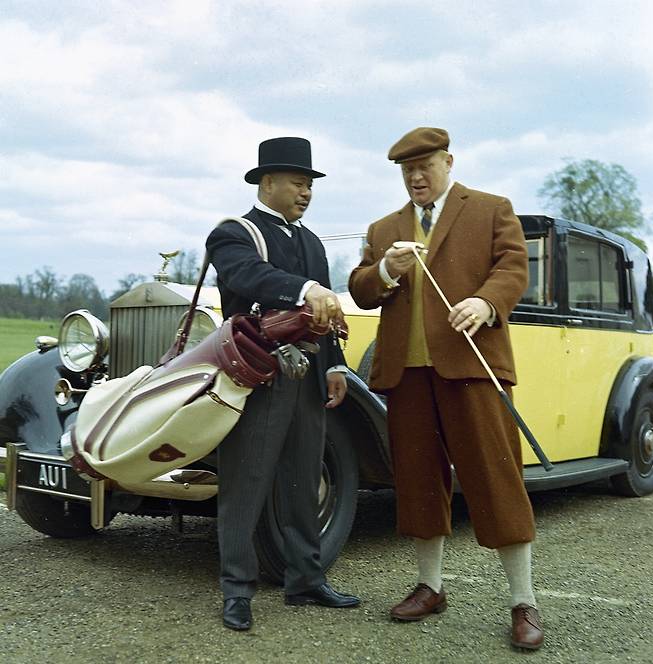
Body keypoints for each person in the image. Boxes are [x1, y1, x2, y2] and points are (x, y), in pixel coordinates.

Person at [348, 127, 544, 650]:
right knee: (416, 481)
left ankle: (523, 601)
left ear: (448, 162)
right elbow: (361, 290)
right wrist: (385, 269)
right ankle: (430, 587)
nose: (416, 178)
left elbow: (513, 267)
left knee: (496, 480)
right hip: (407, 376)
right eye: (407, 170)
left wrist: (486, 302)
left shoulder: (492, 209)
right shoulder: (384, 228)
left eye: (425, 167)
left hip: (473, 369)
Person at [206, 136, 360, 632]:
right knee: (245, 482)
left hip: (308, 375)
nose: (306, 192)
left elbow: (326, 314)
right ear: (267, 182)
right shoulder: (234, 234)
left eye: (310, 184)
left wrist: (334, 365)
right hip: (258, 375)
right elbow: (248, 276)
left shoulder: (312, 242)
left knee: (303, 479)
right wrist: (304, 288)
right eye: (297, 183)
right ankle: (237, 589)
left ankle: (305, 580)